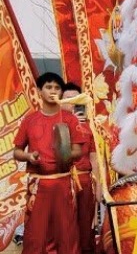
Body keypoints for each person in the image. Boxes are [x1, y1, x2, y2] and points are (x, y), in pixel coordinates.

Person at [13, 72, 86, 254]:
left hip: (63, 183)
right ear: (39, 91)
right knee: (35, 233)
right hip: (38, 185)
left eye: (57, 87)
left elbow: (79, 150)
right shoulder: (29, 120)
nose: (53, 91)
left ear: (61, 92)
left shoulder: (70, 119)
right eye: (48, 87)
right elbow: (17, 151)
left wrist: (64, 154)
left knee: (67, 232)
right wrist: (29, 157)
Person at [61, 82, 100, 254]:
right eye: (67, 99)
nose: (71, 102)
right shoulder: (51, 124)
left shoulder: (89, 127)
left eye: (75, 98)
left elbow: (95, 159)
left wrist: (99, 188)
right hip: (62, 181)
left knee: (86, 227)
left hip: (84, 181)